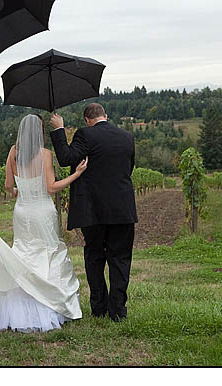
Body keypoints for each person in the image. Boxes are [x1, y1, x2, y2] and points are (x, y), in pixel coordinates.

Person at [0, 114, 85, 333]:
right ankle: (50, 304)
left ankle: (20, 308)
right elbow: (51, 187)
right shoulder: (45, 154)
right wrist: (76, 175)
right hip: (42, 211)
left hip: (22, 211)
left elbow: (8, 186)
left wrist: (21, 191)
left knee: (23, 253)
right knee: (47, 254)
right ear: (40, 132)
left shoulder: (13, 152)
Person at [49, 103, 137, 322]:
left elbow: (66, 158)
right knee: (120, 258)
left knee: (95, 256)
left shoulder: (85, 135)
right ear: (105, 116)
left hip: (93, 210)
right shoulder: (127, 137)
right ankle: (118, 310)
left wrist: (59, 129)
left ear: (87, 120)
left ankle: (99, 307)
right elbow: (129, 168)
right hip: (122, 208)